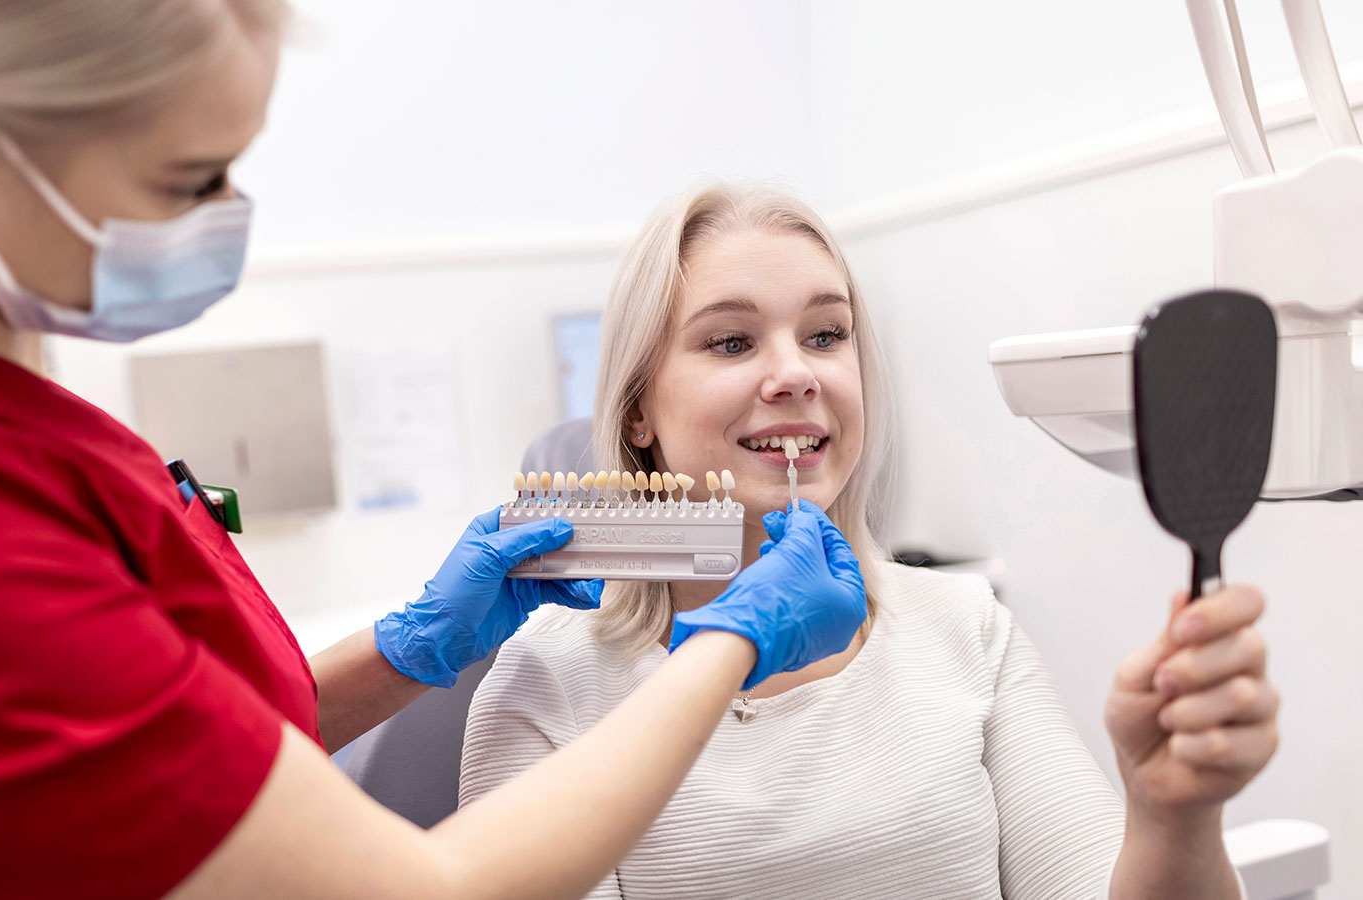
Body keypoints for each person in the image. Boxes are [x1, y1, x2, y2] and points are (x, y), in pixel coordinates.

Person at [0, 4, 871, 898]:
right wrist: (730, 645)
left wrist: (404, 651)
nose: (227, 216)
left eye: (826, 334)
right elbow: (424, 887)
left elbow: (166, 753)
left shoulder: (0, 416)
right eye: (188, 179)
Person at [460, 182, 1280, 899]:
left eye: (825, 335)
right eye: (732, 341)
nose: (798, 373)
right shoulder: (547, 682)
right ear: (637, 405)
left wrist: (1173, 819)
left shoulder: (966, 626)